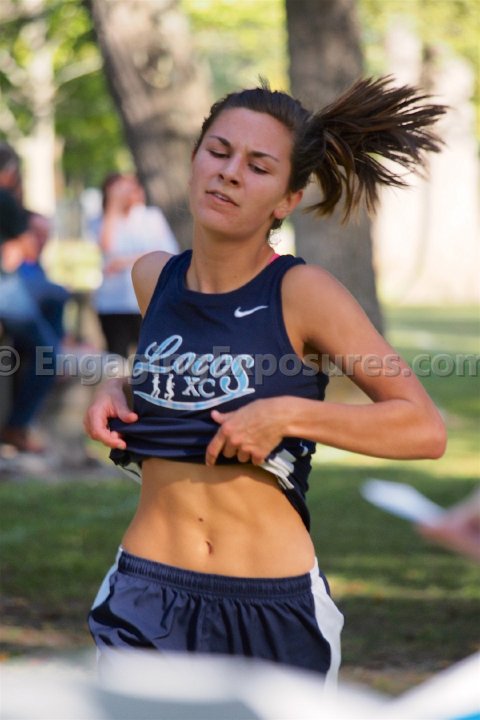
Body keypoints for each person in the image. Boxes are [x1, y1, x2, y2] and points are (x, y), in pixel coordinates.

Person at [84, 77, 447, 684]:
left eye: (258, 167)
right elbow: (181, 366)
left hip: (271, 609)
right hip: (145, 595)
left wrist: (288, 415)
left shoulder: (303, 293)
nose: (229, 173)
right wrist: (118, 385)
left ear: (287, 200)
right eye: (218, 152)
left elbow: (423, 427)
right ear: (194, 160)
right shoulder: (153, 278)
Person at [0, 143, 59, 453]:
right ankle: (17, 426)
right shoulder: (5, 198)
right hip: (5, 290)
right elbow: (27, 249)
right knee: (48, 352)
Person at [94, 173, 179, 359]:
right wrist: (113, 207)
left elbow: (167, 253)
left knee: (151, 357)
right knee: (116, 360)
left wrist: (123, 261)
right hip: (112, 303)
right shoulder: (101, 221)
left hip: (147, 301)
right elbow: (106, 246)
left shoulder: (150, 217)